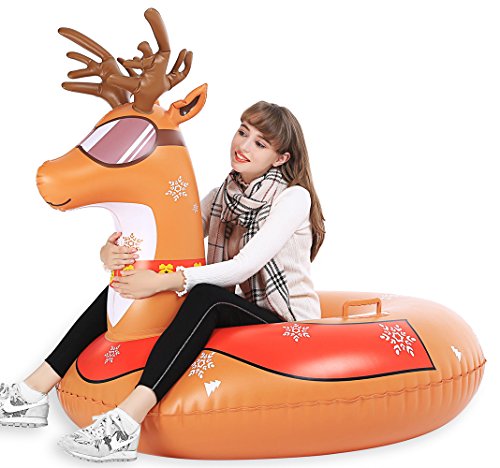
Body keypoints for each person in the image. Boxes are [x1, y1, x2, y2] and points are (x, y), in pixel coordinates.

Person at [0, 101, 326, 462]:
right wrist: (111, 254)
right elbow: (173, 236)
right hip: (241, 313)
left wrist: (163, 282)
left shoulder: (292, 197)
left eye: (260, 144)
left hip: (286, 322)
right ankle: (30, 393)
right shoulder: (225, 194)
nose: (243, 146)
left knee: (206, 296)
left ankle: (125, 423)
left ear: (281, 158)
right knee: (128, 285)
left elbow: (242, 267)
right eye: (242, 132)